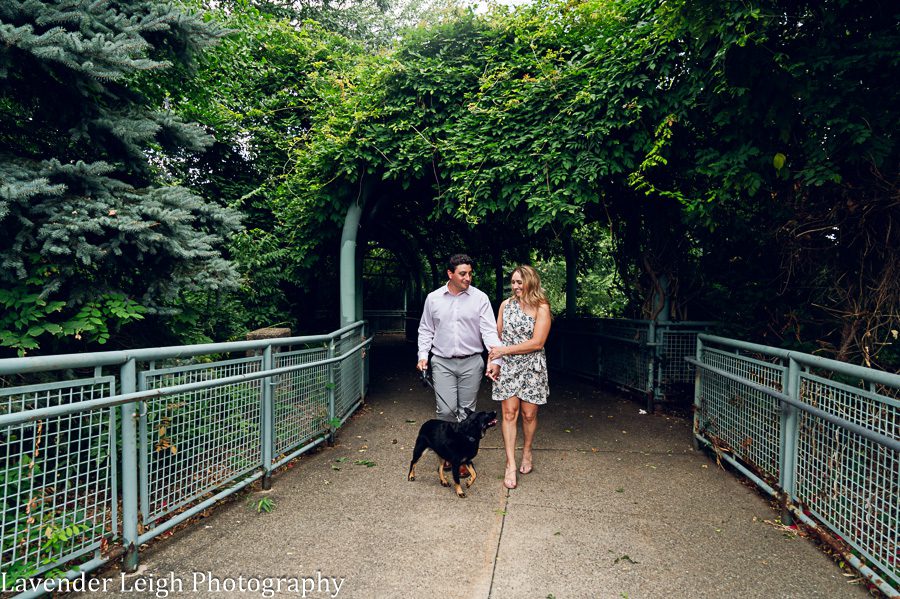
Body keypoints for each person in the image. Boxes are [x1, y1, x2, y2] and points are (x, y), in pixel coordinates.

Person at [416, 254, 502, 463]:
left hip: (472, 362)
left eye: (470, 273)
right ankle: (447, 453)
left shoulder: (480, 298)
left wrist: (496, 360)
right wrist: (422, 356)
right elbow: (426, 329)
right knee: (445, 410)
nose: (468, 278)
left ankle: (461, 458)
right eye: (463, 273)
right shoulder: (433, 298)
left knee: (467, 414)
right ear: (450, 274)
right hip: (442, 361)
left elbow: (490, 332)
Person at [488, 264, 551, 490]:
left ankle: (527, 451)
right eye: (513, 282)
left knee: (529, 415)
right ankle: (510, 463)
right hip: (509, 367)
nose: (515, 287)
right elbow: (496, 337)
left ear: (530, 282)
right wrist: (493, 361)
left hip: (533, 367)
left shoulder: (541, 307)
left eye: (519, 282)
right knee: (508, 413)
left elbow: (538, 342)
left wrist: (504, 351)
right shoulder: (506, 305)